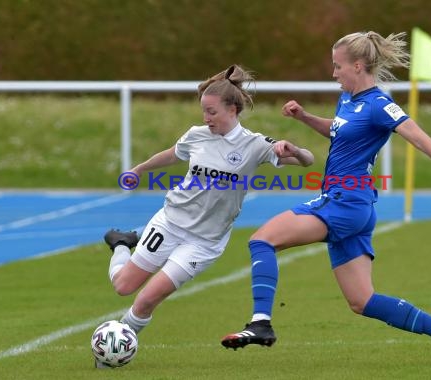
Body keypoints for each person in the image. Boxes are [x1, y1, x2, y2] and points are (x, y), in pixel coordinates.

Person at [220, 31, 431, 365]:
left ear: (357, 65)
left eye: (338, 66)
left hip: (345, 202)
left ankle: (261, 323)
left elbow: (415, 133)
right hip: (351, 205)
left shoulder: (379, 104)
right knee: (362, 301)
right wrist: (305, 118)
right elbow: (339, 130)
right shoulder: (348, 100)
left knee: (262, 241)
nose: (333, 73)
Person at [97, 64, 314, 368]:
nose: (206, 118)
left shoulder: (254, 145)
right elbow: (173, 154)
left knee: (147, 299)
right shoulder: (197, 135)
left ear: (233, 110)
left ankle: (114, 352)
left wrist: (295, 150)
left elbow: (307, 161)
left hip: (204, 242)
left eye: (211, 112)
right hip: (170, 222)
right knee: (123, 286)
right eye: (204, 111)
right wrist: (139, 169)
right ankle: (122, 243)